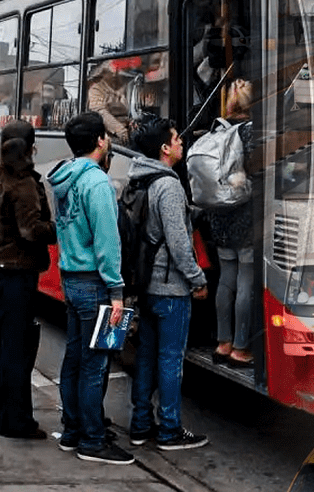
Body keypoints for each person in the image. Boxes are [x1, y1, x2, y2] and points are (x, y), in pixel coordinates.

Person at [46, 112, 134, 465]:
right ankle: (93, 440)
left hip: (71, 279)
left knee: (75, 359)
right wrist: (117, 292)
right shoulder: (97, 183)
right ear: (100, 141)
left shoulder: (65, 178)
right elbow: (107, 243)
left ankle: (72, 430)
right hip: (95, 283)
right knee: (95, 365)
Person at [128, 114, 210, 451]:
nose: (180, 143)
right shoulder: (169, 185)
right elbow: (178, 243)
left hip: (146, 284)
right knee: (170, 360)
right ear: (164, 148)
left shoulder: (139, 179)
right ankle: (170, 430)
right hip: (171, 288)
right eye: (176, 139)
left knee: (145, 358)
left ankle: (140, 424)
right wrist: (197, 278)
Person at [0, 120, 57, 440]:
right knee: (16, 348)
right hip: (14, 271)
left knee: (5, 342)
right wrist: (60, 226)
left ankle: (2, 410)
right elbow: (31, 230)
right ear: (31, 147)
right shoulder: (23, 182)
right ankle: (16, 420)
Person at [208, 82, 254, 367]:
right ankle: (240, 348)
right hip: (244, 216)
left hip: (218, 216)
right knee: (246, 280)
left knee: (226, 280)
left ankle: (223, 344)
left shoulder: (217, 130)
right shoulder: (249, 132)